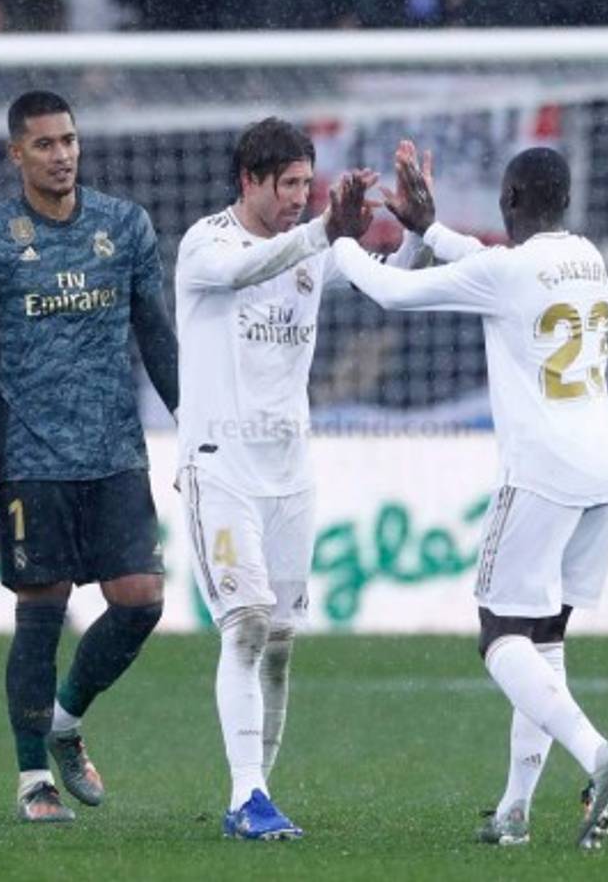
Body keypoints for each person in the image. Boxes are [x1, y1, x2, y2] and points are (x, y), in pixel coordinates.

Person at [329, 144, 608, 850]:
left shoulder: (505, 272)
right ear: (561, 201)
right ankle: (513, 813)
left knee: (500, 635)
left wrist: (342, 243)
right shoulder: (587, 259)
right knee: (543, 639)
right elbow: (491, 265)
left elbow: (391, 293)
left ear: (508, 201)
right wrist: (430, 229)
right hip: (604, 466)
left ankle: (599, 755)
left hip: (542, 470)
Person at [174, 117, 428, 840]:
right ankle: (245, 796)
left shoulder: (313, 243)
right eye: (284, 185)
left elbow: (389, 288)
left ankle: (261, 792)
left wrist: (414, 229)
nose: (296, 197)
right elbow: (242, 272)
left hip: (291, 472)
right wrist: (322, 229)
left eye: (304, 185)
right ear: (248, 181)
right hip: (220, 468)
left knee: (279, 641)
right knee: (246, 624)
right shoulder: (207, 243)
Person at [0, 90, 178, 823]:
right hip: (32, 457)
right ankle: (32, 775)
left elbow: (156, 336)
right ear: (17, 154)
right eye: (44, 144)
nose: (62, 154)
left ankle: (67, 720)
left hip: (114, 453)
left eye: (68, 140)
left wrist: (195, 426)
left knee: (141, 600)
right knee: (41, 611)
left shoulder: (124, 227)